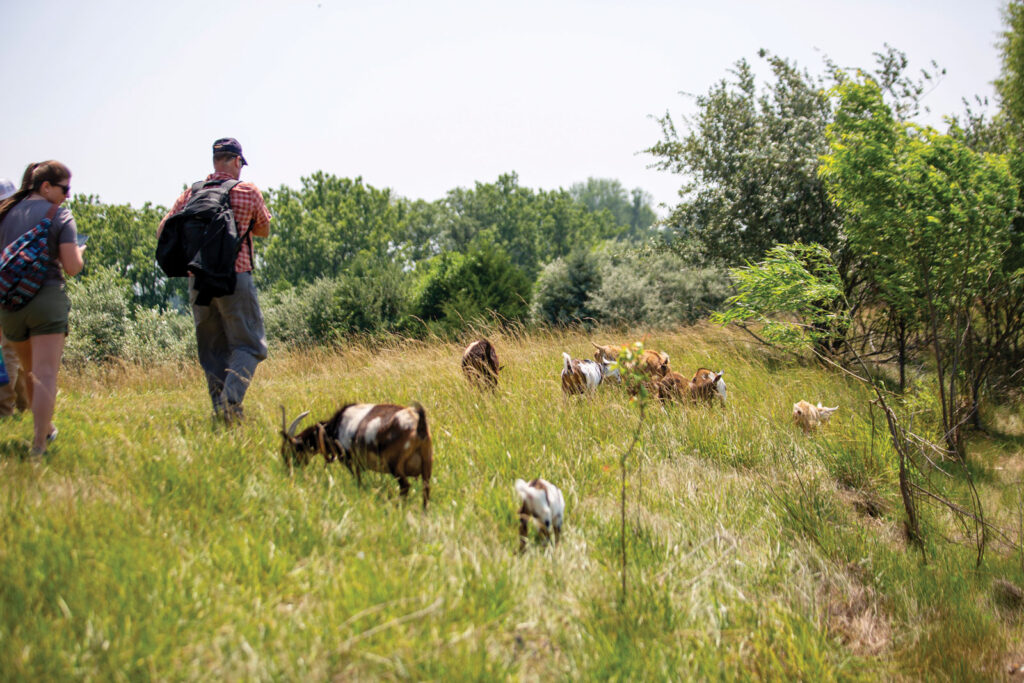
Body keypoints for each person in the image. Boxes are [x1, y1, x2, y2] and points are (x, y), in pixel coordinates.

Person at [158, 138, 272, 424]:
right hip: (236, 277)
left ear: (214, 161)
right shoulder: (247, 191)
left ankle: (222, 413)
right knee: (250, 345)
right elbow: (263, 229)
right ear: (236, 161)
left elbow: (164, 228)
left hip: (197, 281)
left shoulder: (190, 194)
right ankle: (230, 403)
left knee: (213, 352)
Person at [0, 162, 85, 456]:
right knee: (46, 372)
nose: (69, 196)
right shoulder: (60, 216)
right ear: (45, 186)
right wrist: (79, 254)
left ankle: (46, 429)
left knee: (29, 370)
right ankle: (38, 445)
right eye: (65, 189)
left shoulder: (5, 213)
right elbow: (72, 267)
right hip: (46, 299)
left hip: (10, 304)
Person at [0, 178, 31, 418]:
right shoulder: (19, 222)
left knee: (11, 351)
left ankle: (15, 405)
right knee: (13, 350)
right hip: (14, 293)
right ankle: (10, 406)